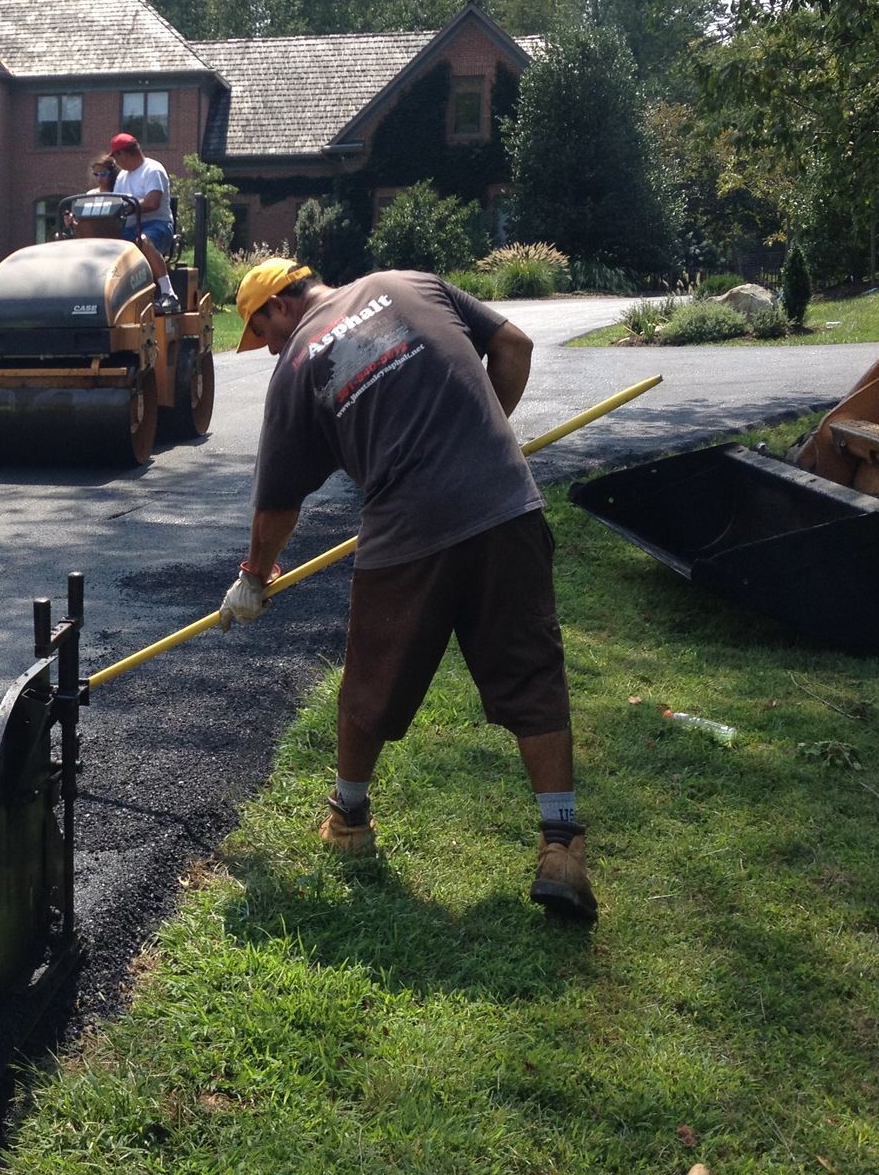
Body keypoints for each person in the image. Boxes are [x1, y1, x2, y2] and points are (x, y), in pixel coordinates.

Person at [217, 257, 596, 921]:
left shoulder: (300, 359)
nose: (270, 348)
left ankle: (349, 820)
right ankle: (562, 844)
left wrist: (254, 576)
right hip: (507, 505)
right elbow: (514, 345)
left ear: (278, 305)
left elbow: (277, 504)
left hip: (408, 534)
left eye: (263, 333)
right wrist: (487, 442)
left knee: (372, 677)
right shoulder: (410, 283)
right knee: (531, 670)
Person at [107, 132, 181, 314]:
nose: (115, 162)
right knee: (106, 247)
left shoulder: (153, 170)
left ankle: (168, 294)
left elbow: (152, 202)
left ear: (123, 154)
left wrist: (128, 207)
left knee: (143, 240)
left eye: (115, 157)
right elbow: (114, 204)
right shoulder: (122, 177)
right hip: (129, 229)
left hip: (158, 226)